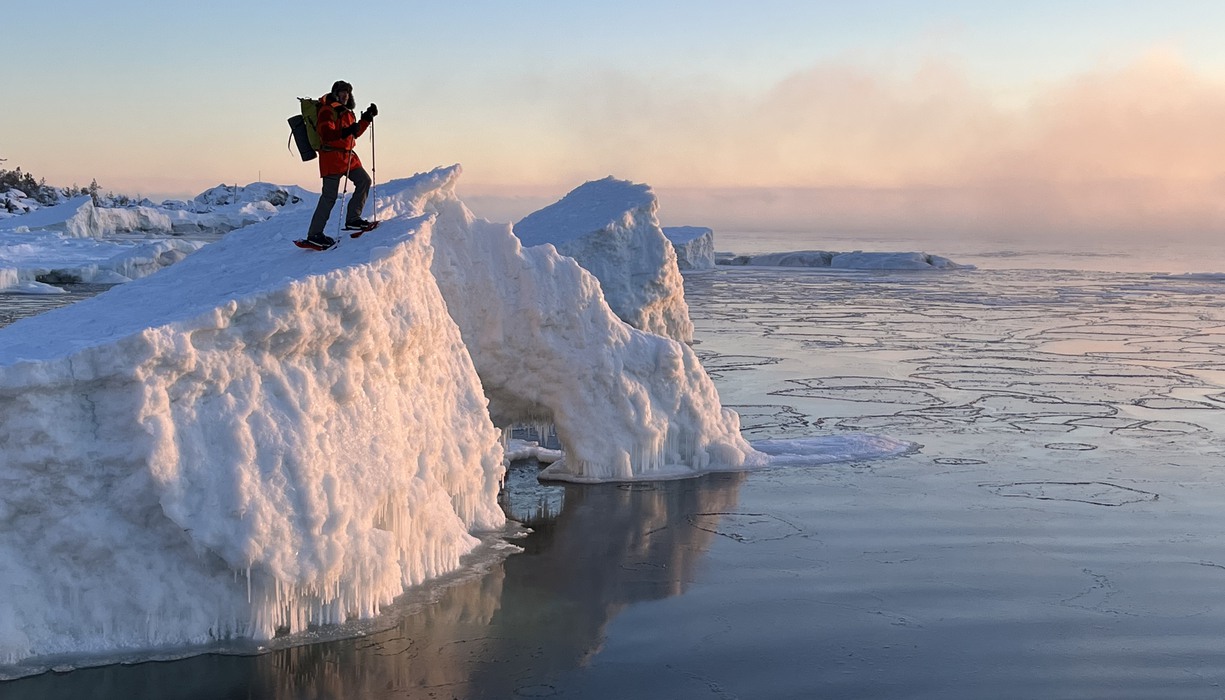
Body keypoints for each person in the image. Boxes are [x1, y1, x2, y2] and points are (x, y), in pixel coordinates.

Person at [304, 80, 378, 248]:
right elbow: (326, 133)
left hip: (347, 157)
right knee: (329, 197)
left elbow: (355, 133)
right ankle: (314, 234)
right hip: (331, 157)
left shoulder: (345, 112)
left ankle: (353, 219)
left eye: (348, 92)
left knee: (364, 181)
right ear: (336, 93)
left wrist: (366, 117)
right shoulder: (327, 110)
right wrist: (347, 131)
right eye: (342, 92)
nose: (345, 95)